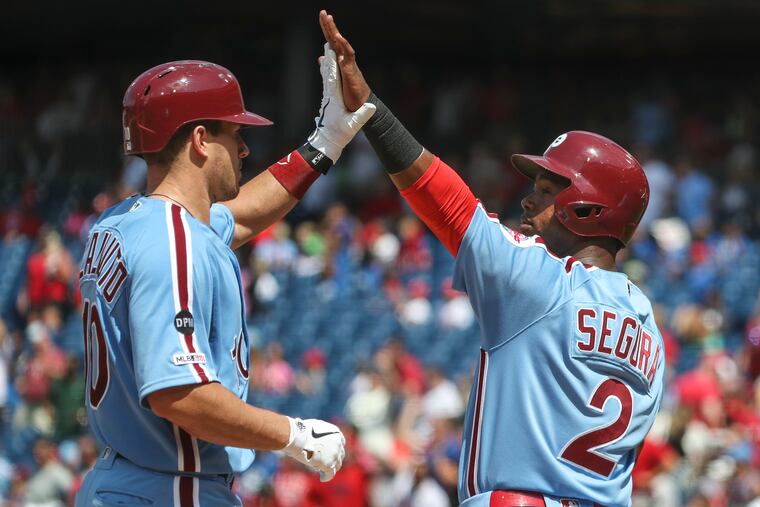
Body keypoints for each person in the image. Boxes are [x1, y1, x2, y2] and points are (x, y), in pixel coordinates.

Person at [318, 10, 665, 507]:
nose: (527, 201)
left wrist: (369, 106)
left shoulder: (543, 283)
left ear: (587, 208)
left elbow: (448, 203)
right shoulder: (649, 329)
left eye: (546, 191)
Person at [75, 50, 376, 506]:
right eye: (234, 133)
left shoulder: (127, 222)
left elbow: (244, 215)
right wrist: (291, 435)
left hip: (126, 480)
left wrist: (326, 140)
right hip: (172, 488)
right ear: (200, 139)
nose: (244, 148)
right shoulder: (173, 241)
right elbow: (178, 395)